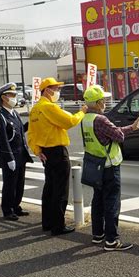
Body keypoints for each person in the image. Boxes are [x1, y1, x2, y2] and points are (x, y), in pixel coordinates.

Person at [27, 77, 88, 236]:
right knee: (60, 191)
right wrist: (82, 111)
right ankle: (58, 225)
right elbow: (69, 121)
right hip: (58, 152)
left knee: (49, 189)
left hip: (45, 153)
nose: (58, 92)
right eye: (56, 89)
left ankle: (47, 222)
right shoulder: (49, 107)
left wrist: (37, 151)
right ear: (47, 90)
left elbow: (31, 134)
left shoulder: (35, 109)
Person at [82, 85, 139, 251]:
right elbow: (119, 135)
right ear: (99, 102)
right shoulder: (100, 120)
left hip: (95, 165)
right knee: (112, 202)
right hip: (109, 165)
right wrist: (133, 127)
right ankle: (112, 240)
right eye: (104, 100)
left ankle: (98, 234)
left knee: (97, 200)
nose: (105, 102)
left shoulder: (85, 119)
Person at [0, 82, 33, 221]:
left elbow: (20, 131)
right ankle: (7, 210)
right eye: (12, 95)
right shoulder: (0, 117)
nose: (14, 98)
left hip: (21, 154)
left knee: (19, 183)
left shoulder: (14, 113)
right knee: (10, 184)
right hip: (10, 156)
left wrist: (31, 123)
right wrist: (9, 158)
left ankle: (16, 206)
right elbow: (2, 140)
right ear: (4, 97)